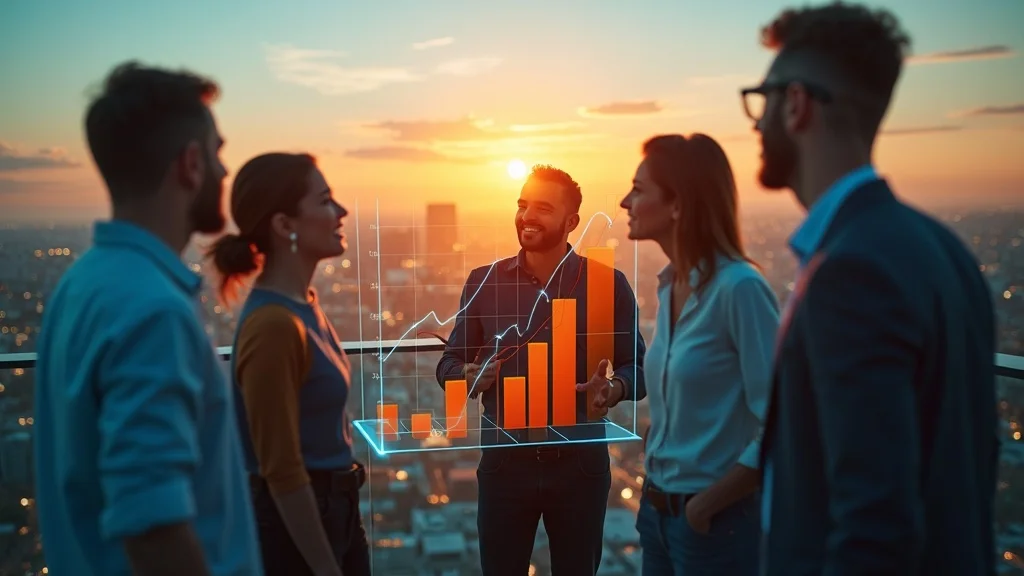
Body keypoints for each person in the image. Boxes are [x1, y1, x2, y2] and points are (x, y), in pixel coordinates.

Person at [743, 3, 999, 574]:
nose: (756, 124)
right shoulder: (945, 250)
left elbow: (873, 524)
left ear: (796, 104)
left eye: (761, 102)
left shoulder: (849, 271)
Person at [32, 62, 261, 575]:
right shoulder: (152, 309)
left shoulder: (84, 282)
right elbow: (154, 527)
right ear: (190, 165)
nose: (225, 172)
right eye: (218, 153)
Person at [435, 165, 648, 576]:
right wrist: (469, 374)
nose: (527, 216)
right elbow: (448, 364)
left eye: (543, 208)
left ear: (571, 222)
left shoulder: (607, 283)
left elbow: (636, 367)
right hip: (504, 468)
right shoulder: (485, 281)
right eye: (522, 205)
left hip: (579, 467)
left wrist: (615, 389)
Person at [620, 134, 778, 575]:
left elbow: (782, 421)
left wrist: (707, 505)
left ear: (678, 205)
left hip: (714, 525)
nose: (624, 202)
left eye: (638, 189)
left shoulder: (740, 290)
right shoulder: (670, 286)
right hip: (658, 514)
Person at [207, 152, 370, 576]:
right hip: (297, 529)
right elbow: (279, 469)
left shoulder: (304, 307)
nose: (341, 212)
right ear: (284, 225)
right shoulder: (274, 326)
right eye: (324, 201)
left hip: (336, 510)